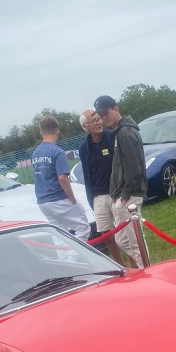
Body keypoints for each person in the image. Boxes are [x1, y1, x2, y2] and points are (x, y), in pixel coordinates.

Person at [94, 95, 146, 267]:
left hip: (130, 194)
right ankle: (145, 267)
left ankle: (146, 271)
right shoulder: (120, 132)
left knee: (135, 243)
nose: (104, 118)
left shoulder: (126, 133)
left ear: (115, 109)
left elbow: (134, 168)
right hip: (122, 195)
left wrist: (125, 195)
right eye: (101, 115)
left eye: (106, 113)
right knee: (122, 240)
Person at [78, 108, 129, 264]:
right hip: (98, 197)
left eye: (99, 119)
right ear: (85, 127)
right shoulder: (84, 149)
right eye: (93, 120)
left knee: (126, 235)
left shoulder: (113, 138)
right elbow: (88, 176)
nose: (98, 122)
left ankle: (136, 265)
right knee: (107, 237)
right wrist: (91, 199)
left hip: (116, 193)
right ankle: (121, 267)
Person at [30, 115, 91, 240]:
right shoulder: (57, 152)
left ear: (41, 132)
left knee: (60, 235)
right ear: (57, 131)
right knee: (83, 228)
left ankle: (65, 252)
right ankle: (76, 252)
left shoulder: (36, 153)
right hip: (57, 198)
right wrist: (72, 199)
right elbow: (62, 178)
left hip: (43, 201)